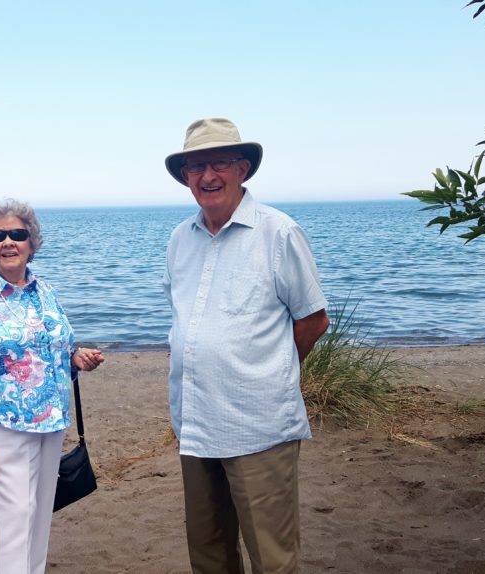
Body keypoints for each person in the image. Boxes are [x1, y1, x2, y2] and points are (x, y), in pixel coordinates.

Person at [163, 118, 330, 574]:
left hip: (259, 426)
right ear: (185, 177)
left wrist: (268, 371)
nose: (207, 175)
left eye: (219, 162)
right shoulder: (181, 239)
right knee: (209, 553)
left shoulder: (278, 232)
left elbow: (313, 319)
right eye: (196, 166)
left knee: (272, 558)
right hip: (196, 423)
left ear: (242, 169)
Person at [0, 199, 104, 574]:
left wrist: (76, 357)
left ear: (32, 242)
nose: (8, 242)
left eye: (17, 234)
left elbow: (57, 347)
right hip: (3, 428)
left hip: (50, 424)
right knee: (12, 524)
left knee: (37, 520)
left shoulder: (44, 291)